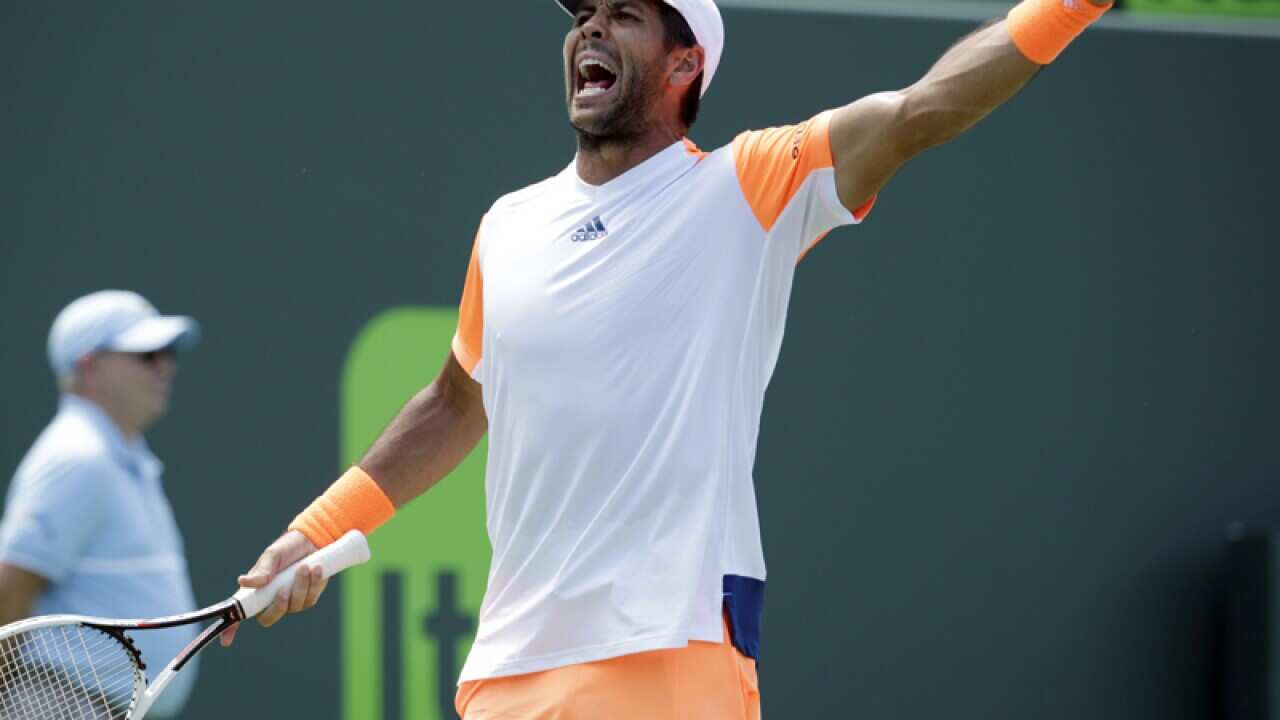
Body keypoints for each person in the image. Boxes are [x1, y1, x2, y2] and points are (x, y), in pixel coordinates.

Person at [224, 0, 1115, 716]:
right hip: (509, 672)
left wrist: (1070, 6)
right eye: (583, 15)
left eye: (623, 14)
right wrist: (313, 532)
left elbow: (920, 112)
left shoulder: (748, 186)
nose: (589, 29)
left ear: (685, 63)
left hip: (670, 655)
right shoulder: (506, 226)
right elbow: (456, 403)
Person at [0, 290, 202, 719]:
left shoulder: (119, 457)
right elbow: (9, 588)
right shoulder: (78, 459)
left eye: (166, 354)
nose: (164, 367)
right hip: (61, 703)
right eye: (146, 355)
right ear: (90, 366)